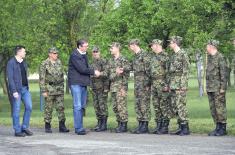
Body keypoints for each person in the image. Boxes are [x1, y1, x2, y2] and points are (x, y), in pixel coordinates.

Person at [68, 39, 100, 135]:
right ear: (80, 46)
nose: (87, 47)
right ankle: (78, 128)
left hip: (83, 83)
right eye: (85, 46)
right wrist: (94, 72)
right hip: (76, 83)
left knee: (82, 106)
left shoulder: (84, 54)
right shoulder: (74, 55)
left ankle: (80, 126)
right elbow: (82, 69)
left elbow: (86, 68)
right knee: (77, 106)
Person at [39, 47, 69, 133]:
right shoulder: (44, 63)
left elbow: (61, 76)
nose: (56, 55)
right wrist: (43, 90)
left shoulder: (59, 62)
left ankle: (62, 126)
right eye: (54, 53)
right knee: (49, 108)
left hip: (59, 89)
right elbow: (42, 78)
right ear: (50, 54)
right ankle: (47, 126)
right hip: (49, 89)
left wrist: (62, 87)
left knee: (61, 108)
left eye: (57, 53)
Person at [102, 42, 131, 133]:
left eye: (112, 48)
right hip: (113, 87)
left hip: (121, 86)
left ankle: (124, 125)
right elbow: (108, 74)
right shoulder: (110, 61)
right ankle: (119, 123)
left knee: (121, 106)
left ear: (118, 48)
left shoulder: (124, 59)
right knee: (115, 107)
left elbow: (128, 69)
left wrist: (122, 70)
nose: (110, 49)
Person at [6, 45, 33, 137]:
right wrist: (14, 91)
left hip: (25, 89)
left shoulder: (24, 62)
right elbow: (10, 78)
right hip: (16, 90)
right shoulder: (11, 63)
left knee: (29, 107)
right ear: (19, 52)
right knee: (16, 110)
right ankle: (17, 130)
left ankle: (24, 127)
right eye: (24, 51)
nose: (25, 53)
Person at [168, 36, 190, 136]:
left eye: (171, 42)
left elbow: (185, 71)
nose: (169, 44)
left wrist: (183, 86)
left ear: (175, 43)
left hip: (180, 84)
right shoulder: (173, 55)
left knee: (181, 105)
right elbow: (171, 72)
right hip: (173, 84)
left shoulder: (183, 54)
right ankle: (180, 126)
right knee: (175, 106)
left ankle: (185, 128)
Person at [128, 39, 151, 134]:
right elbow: (132, 68)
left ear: (134, 45)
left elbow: (148, 71)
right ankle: (140, 124)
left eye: (130, 45)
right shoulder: (135, 56)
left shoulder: (144, 55)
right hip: (137, 83)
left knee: (144, 104)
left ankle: (145, 125)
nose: (129, 47)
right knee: (138, 103)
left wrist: (147, 84)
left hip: (143, 83)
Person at [149, 39, 171, 134]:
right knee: (156, 105)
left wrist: (167, 84)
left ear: (157, 45)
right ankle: (159, 125)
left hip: (162, 83)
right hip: (154, 83)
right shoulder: (153, 57)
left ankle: (165, 127)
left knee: (164, 105)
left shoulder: (165, 56)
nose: (151, 47)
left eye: (152, 45)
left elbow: (169, 72)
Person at [206, 40, 227, 136]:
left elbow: (223, 74)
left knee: (220, 108)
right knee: (213, 108)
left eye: (207, 46)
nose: (206, 47)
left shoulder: (220, 57)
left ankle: (223, 128)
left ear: (212, 46)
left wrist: (223, 87)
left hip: (218, 88)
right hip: (210, 87)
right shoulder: (209, 57)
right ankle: (217, 127)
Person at [90, 46, 109, 132]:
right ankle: (99, 123)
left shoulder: (103, 61)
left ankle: (104, 125)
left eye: (96, 51)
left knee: (102, 106)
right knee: (96, 106)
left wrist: (99, 74)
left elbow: (107, 73)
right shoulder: (91, 63)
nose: (95, 53)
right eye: (93, 52)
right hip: (94, 87)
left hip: (102, 87)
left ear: (99, 52)